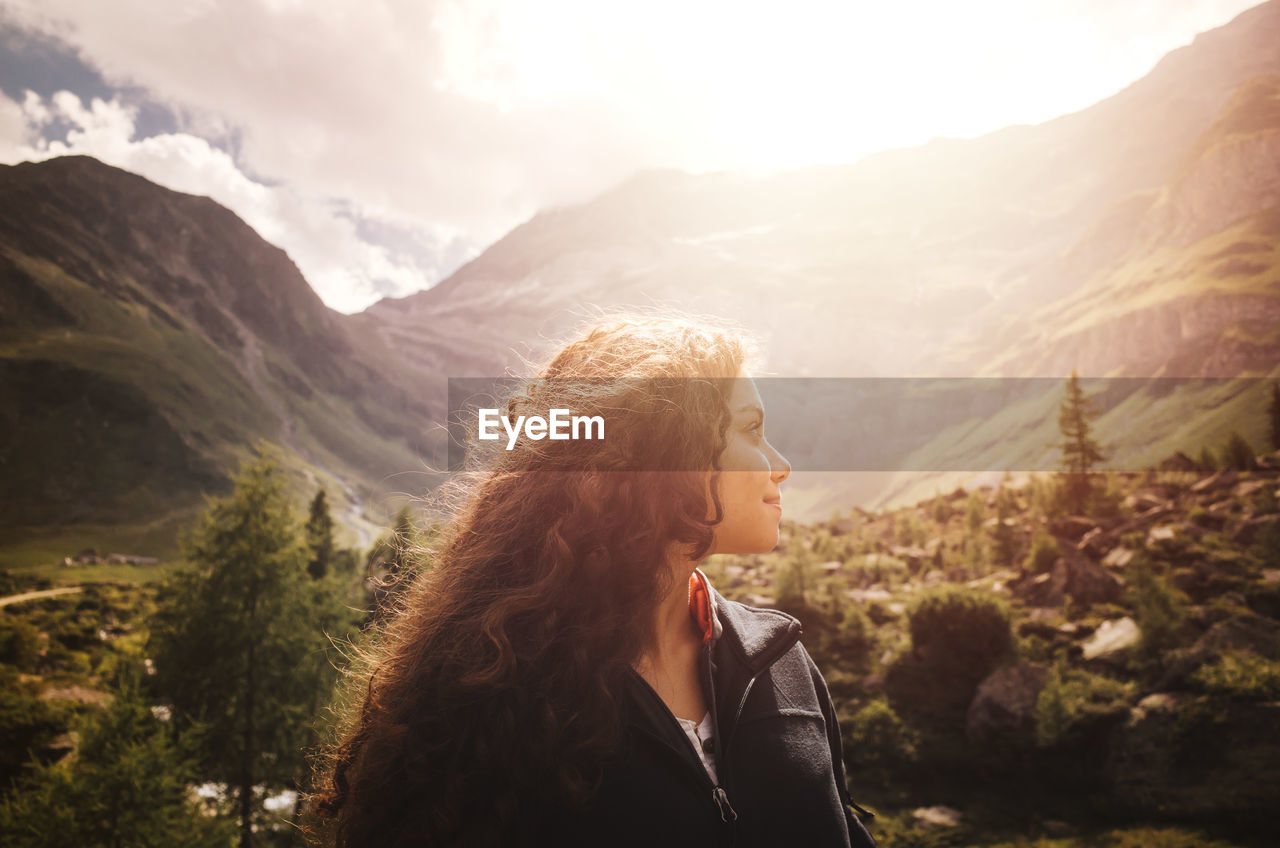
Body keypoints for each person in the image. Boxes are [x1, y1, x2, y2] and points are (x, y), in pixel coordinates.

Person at [311, 315, 876, 847]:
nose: (780, 464)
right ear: (667, 453)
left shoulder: (780, 660)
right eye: (751, 430)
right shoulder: (496, 690)